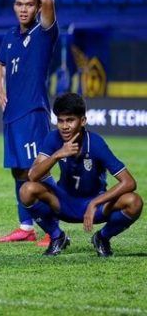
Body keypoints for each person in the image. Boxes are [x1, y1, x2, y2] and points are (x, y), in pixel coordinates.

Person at [20, 93, 143, 256]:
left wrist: (94, 204)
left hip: (96, 204)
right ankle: (57, 237)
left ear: (83, 121)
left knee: (134, 202)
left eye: (70, 120)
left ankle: (102, 238)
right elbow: (33, 175)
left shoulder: (96, 143)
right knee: (26, 190)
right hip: (63, 202)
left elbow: (129, 182)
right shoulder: (53, 138)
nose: (64, 126)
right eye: (60, 121)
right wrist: (58, 154)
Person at [0, 0, 58, 245]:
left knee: (38, 170)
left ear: (37, 6)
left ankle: (52, 227)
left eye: (29, 4)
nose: (24, 9)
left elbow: (50, 1)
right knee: (18, 171)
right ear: (13, 6)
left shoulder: (43, 32)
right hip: (12, 114)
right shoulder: (9, 35)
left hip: (34, 112)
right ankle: (26, 227)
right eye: (19, 3)